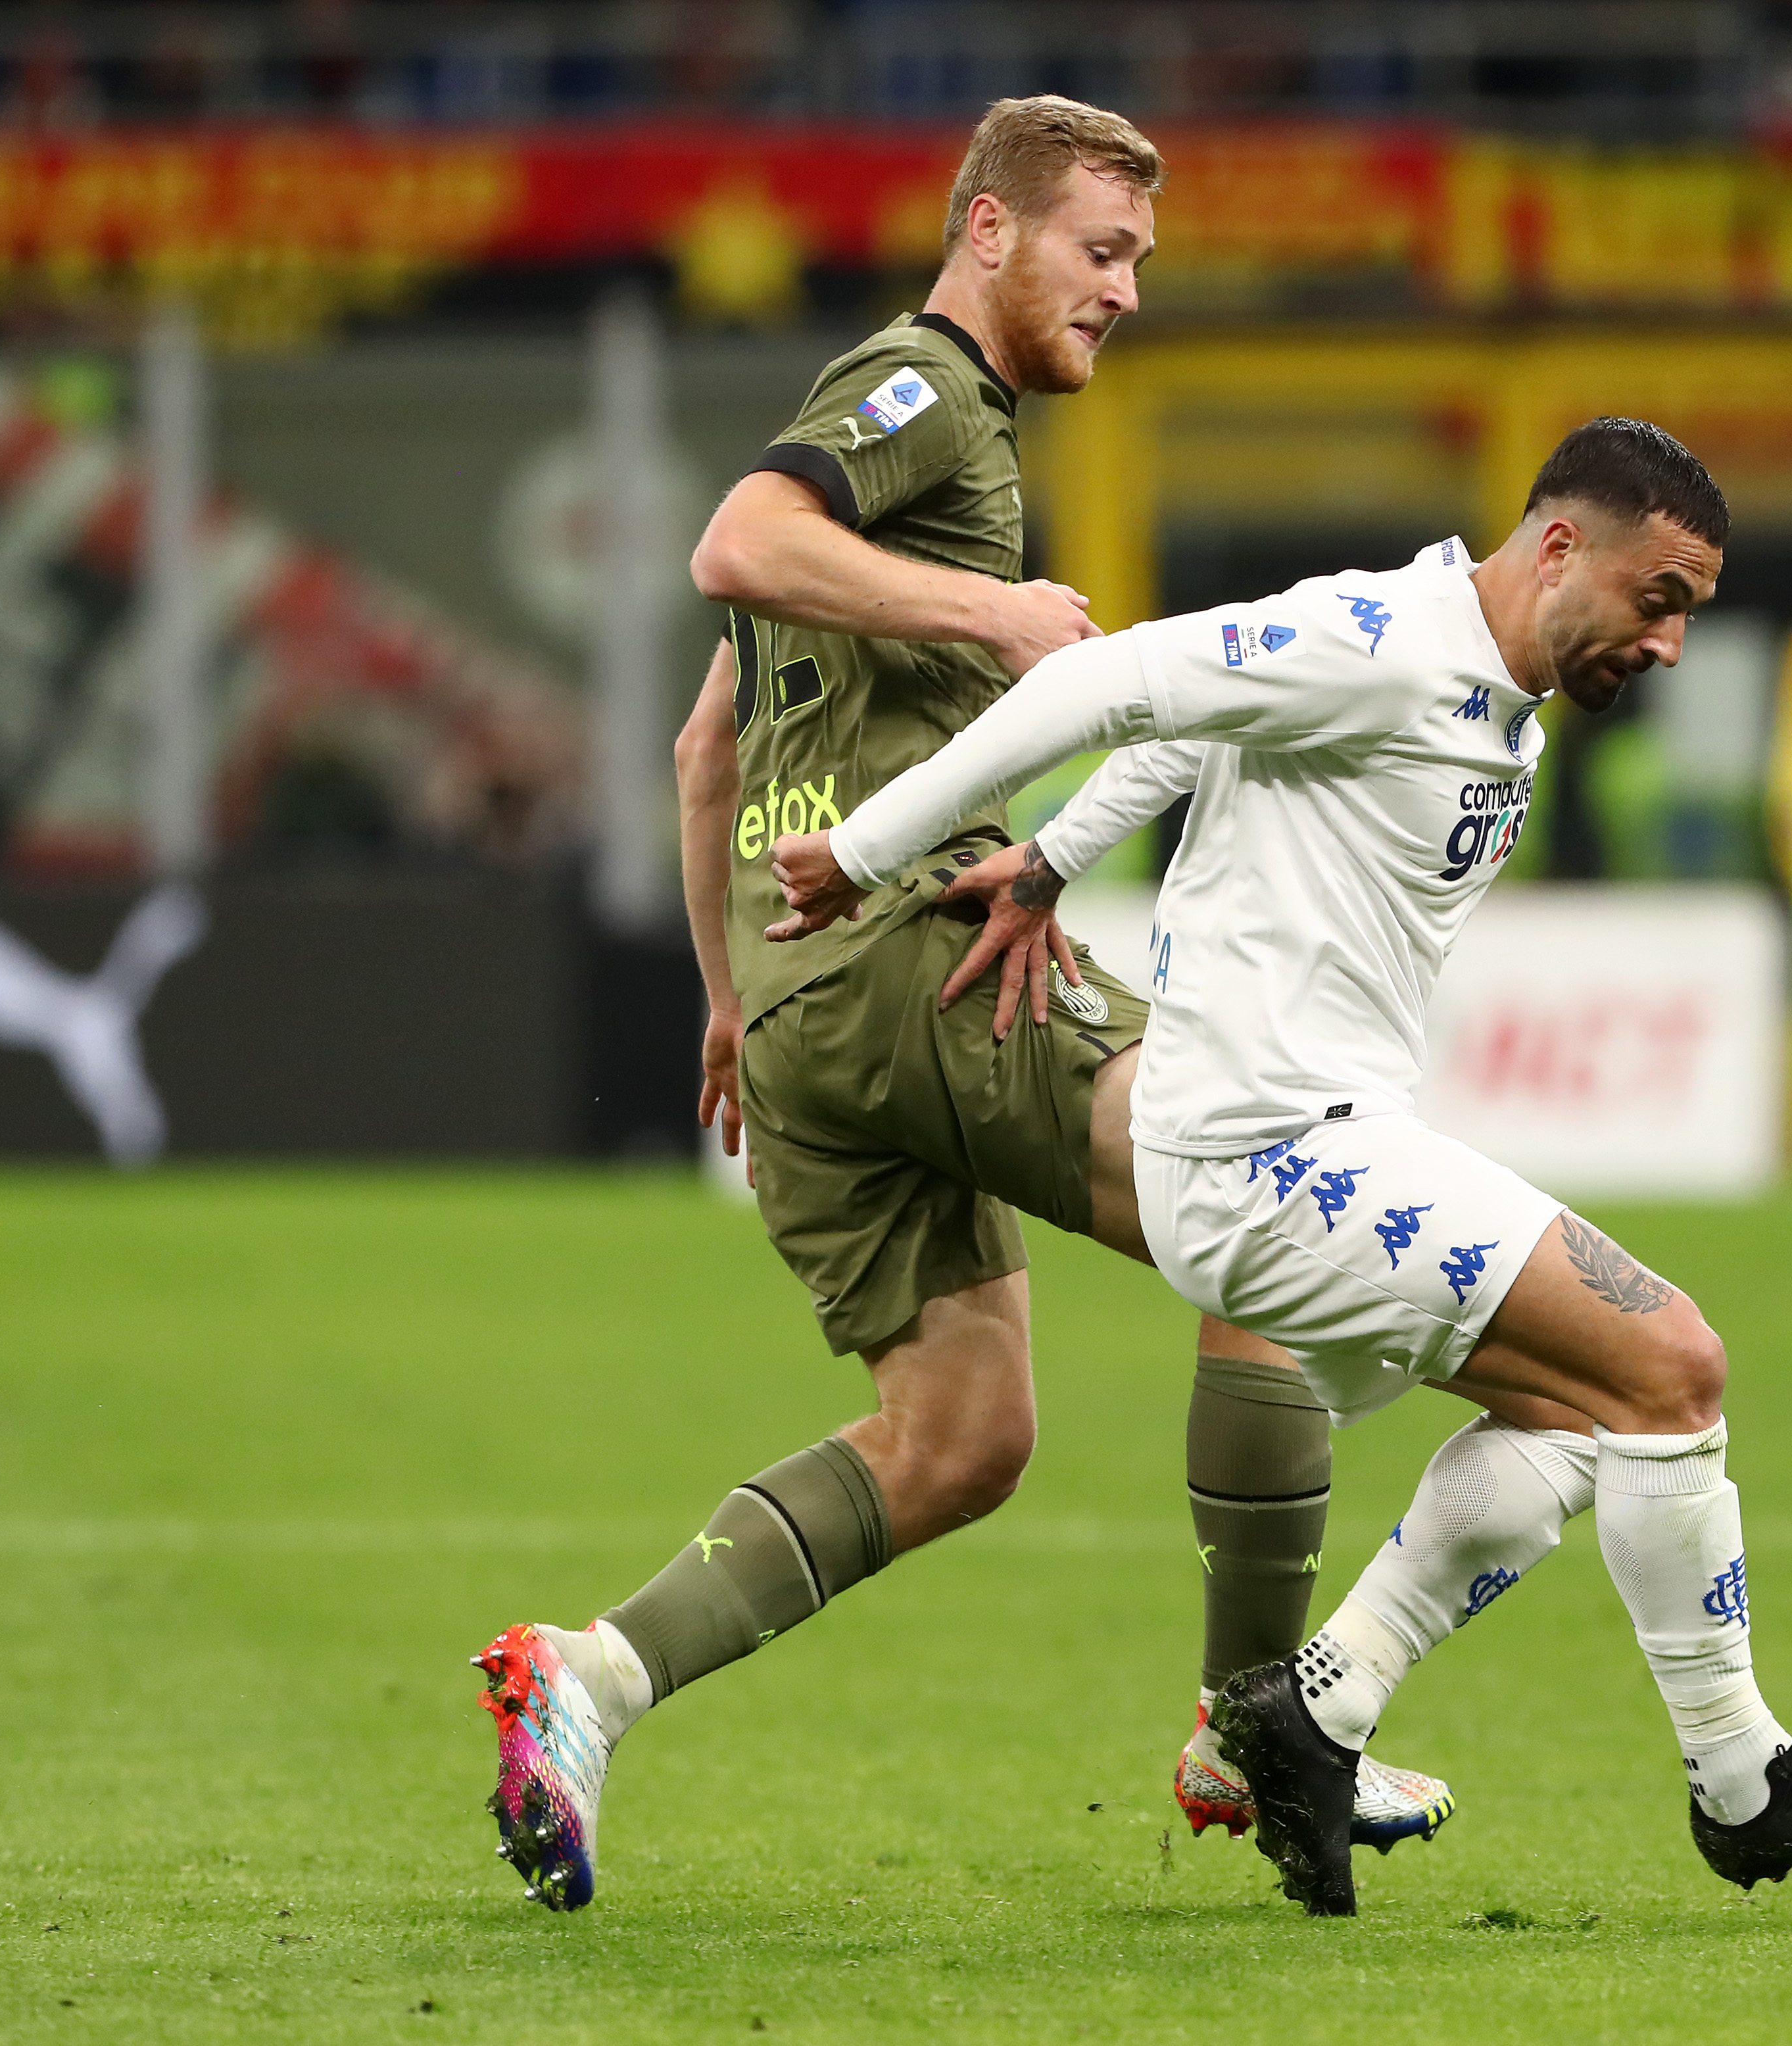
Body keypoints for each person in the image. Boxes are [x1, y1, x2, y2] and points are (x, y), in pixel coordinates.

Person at [769, 416, 1792, 1918]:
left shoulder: (1496, 700)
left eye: (1690, 614)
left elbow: (1199, 729)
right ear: (1556, 546)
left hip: (1320, 1144)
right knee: (1673, 1361)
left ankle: (1313, 1709)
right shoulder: (1378, 637)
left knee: (1584, 1422)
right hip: (1263, 1154)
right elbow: (1100, 679)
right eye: (1657, 598)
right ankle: (1743, 1784)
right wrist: (872, 847)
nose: (1668, 643)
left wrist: (1054, 860)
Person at [471, 94, 1449, 1916]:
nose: (1127, 292)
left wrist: (726, 998)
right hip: (920, 948)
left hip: (798, 1007)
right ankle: (1262, 1721)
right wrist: (994, 621)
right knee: (1277, 1216)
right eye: (1103, 250)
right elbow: (736, 543)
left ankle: (588, 1680)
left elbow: (707, 747)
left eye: (1140, 259)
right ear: (988, 232)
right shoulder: (920, 394)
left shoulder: (900, 460)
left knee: (960, 1437)